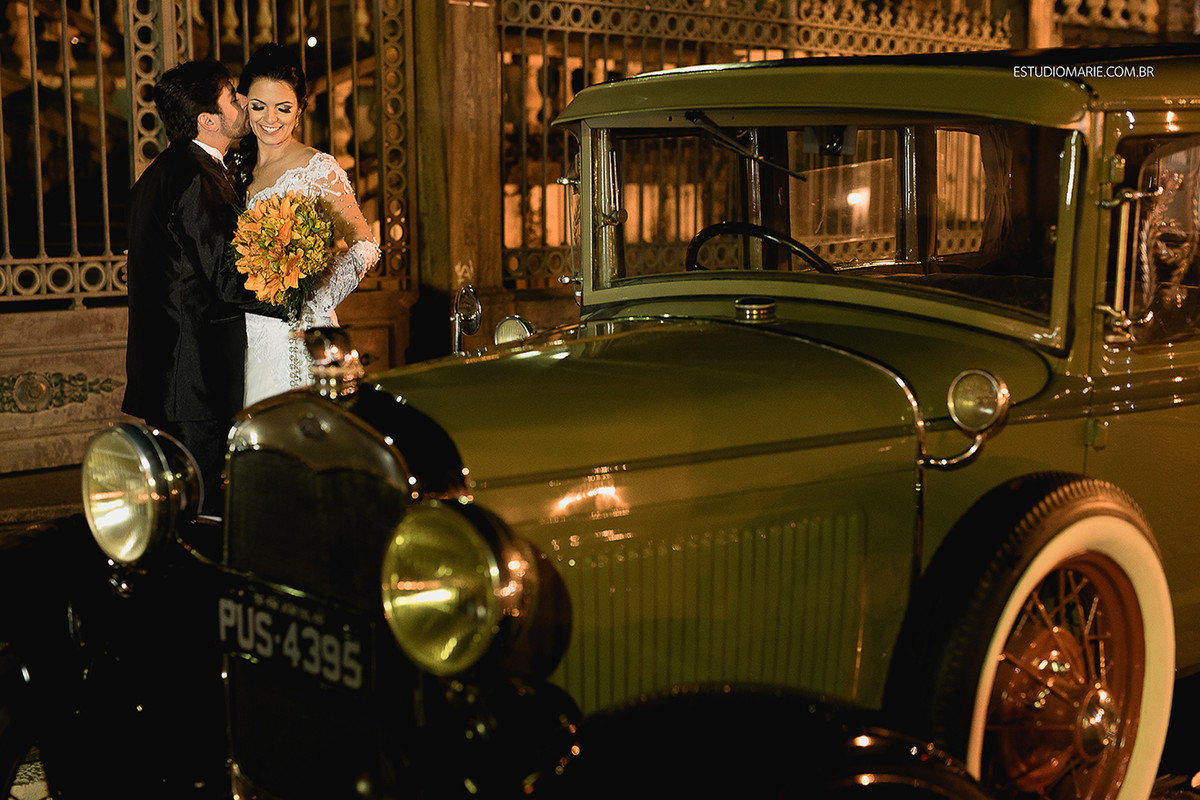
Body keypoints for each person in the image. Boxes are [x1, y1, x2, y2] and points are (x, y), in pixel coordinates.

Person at [123, 59, 282, 515]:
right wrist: (296, 292)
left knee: (179, 508)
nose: (244, 103)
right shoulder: (196, 177)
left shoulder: (158, 174)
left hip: (170, 378)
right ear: (208, 120)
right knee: (205, 510)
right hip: (195, 382)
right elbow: (227, 280)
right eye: (233, 97)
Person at [231, 43, 380, 406]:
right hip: (244, 333)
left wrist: (318, 293)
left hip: (301, 331)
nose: (270, 119)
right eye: (259, 106)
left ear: (299, 109)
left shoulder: (318, 168)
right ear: (244, 104)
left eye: (283, 108)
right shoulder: (234, 169)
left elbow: (366, 244)